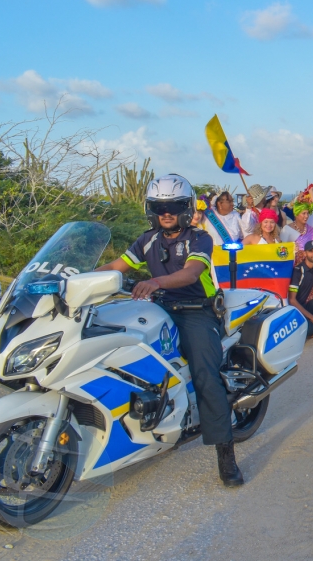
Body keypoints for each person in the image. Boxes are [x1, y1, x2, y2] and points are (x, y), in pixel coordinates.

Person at [96, 174, 242, 487]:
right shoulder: (146, 239)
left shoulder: (199, 238)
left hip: (195, 311)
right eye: (160, 206)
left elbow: (191, 273)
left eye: (174, 206)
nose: (166, 212)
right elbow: (115, 268)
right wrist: (74, 280)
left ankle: (225, 453)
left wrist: (156, 282)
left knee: (206, 374)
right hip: (156, 309)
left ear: (186, 208)